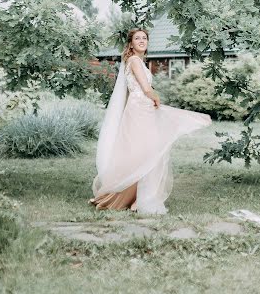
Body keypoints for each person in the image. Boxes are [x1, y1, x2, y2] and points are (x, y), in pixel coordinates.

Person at [89, 28, 212, 215]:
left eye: (144, 38)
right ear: (130, 44)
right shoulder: (134, 60)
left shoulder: (138, 62)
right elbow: (146, 89)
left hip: (141, 109)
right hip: (140, 110)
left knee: (144, 152)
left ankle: (138, 197)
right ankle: (134, 198)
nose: (141, 41)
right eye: (137, 38)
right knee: (145, 151)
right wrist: (156, 99)